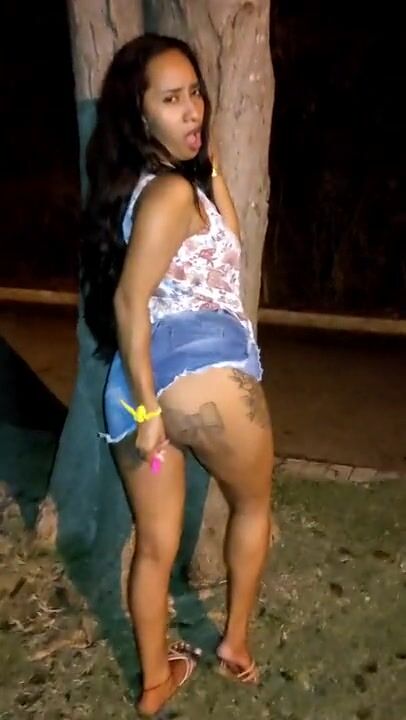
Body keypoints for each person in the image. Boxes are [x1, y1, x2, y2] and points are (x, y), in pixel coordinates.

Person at [81, 32, 274, 717]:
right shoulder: (167, 195)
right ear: (139, 116)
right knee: (253, 505)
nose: (193, 108)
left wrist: (207, 159)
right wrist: (153, 412)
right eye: (171, 99)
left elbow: (229, 242)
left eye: (195, 93)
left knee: (155, 545)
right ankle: (236, 643)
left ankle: (156, 680)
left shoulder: (161, 189)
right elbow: (128, 301)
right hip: (200, 387)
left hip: (142, 397)